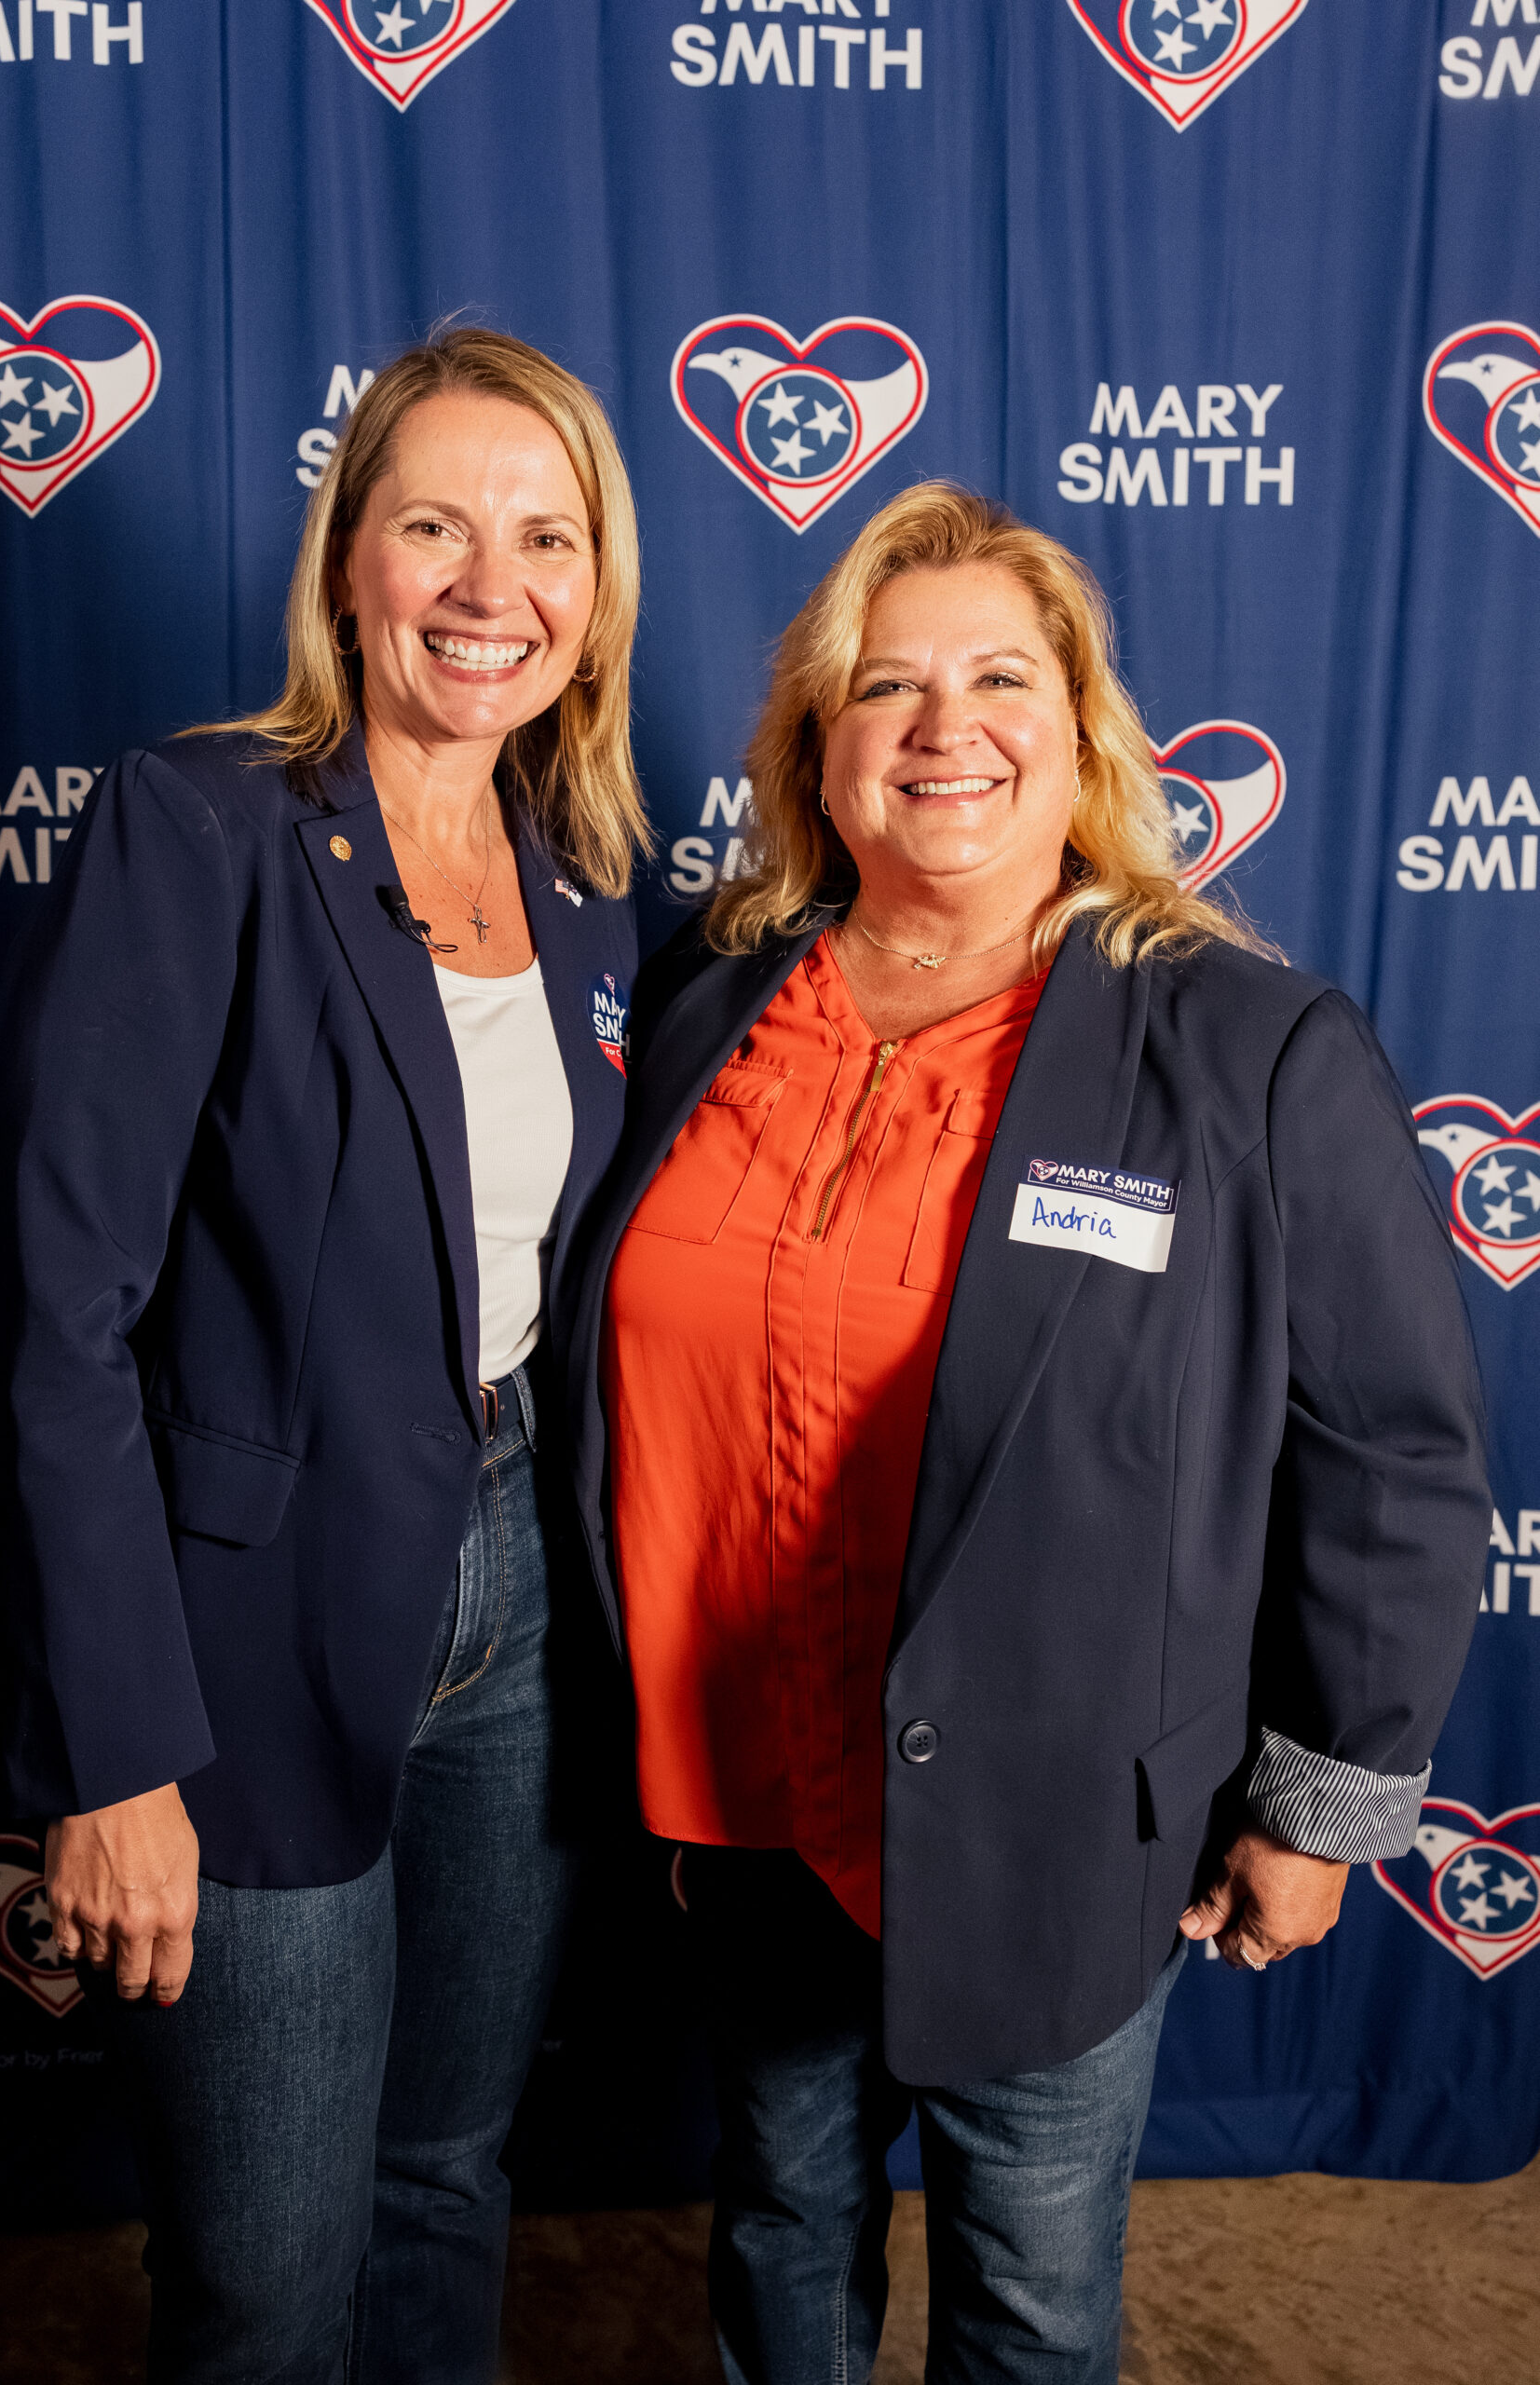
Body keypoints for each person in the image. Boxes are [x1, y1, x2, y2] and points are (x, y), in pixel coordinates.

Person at [566, 484, 1490, 2384]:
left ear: (1081, 733)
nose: (944, 726)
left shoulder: (1246, 1048)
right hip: (749, 1795)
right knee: (779, 2225)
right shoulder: (707, 1000)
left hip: (1058, 1817)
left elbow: (1393, 1459)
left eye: (1001, 678)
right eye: (885, 685)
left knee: (1031, 2295)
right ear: (816, 747)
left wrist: (1317, 1808)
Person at [0, 326, 648, 2384]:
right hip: (242, 1624)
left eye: (546, 538)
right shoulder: (197, 826)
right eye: (435, 525)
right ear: (349, 558)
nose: (490, 584)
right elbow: (60, 1320)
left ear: (597, 587)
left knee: (444, 2177)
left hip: (517, 1596)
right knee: (266, 2279)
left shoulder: (589, 890)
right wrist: (116, 1750)